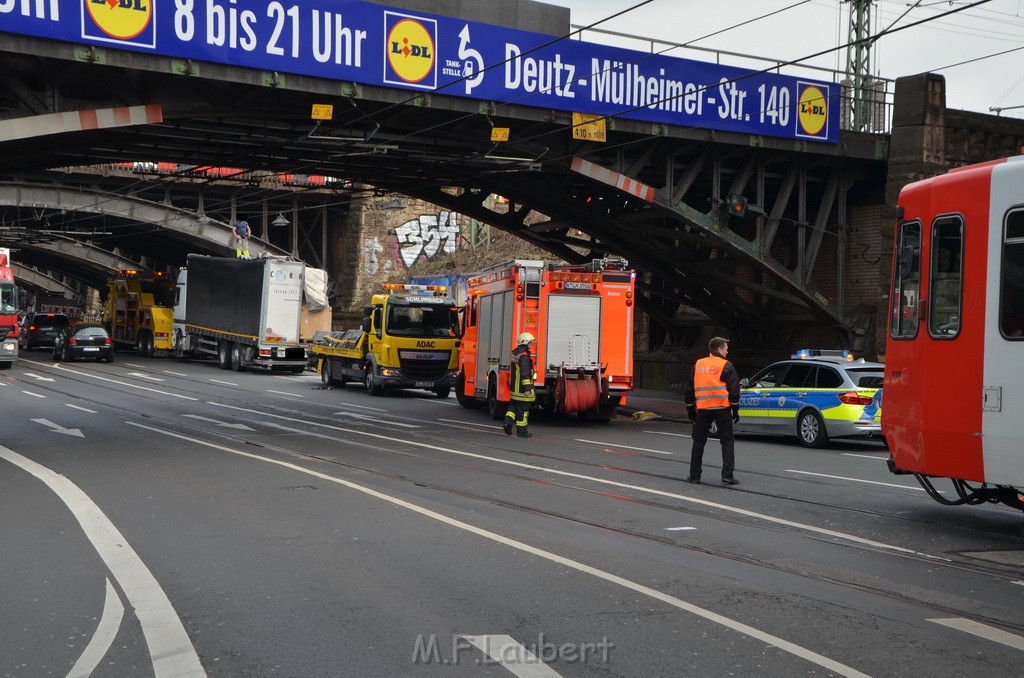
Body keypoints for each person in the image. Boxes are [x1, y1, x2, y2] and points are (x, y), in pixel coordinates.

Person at [684, 336, 741, 485]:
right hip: (722, 408)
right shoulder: (727, 366)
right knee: (727, 441)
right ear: (719, 349)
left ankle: (695, 476)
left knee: (698, 442)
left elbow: (690, 388)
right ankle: (727, 475)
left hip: (703, 409)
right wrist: (735, 409)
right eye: (726, 349)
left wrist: (690, 408)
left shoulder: (698, 364)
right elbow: (734, 390)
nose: (727, 352)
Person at [504, 332, 537, 438]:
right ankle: (522, 431)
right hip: (522, 390)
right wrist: (527, 388)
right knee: (523, 411)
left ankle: (507, 423)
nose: (532, 344)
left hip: (514, 389)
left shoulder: (516, 353)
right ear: (525, 342)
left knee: (513, 408)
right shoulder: (524, 357)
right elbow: (525, 373)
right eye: (530, 342)